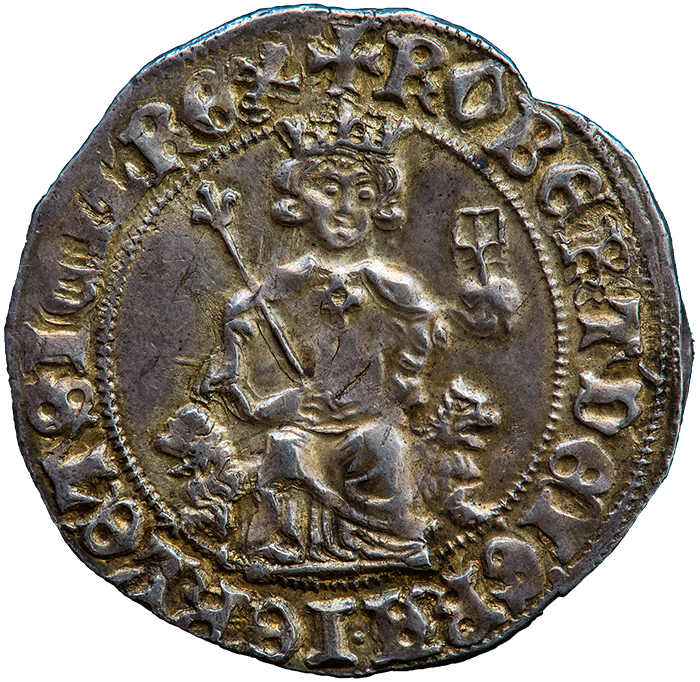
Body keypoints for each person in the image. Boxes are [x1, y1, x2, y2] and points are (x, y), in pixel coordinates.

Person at [197, 114, 439, 568]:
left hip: (371, 419)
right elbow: (239, 311)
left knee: (383, 448)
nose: (345, 209)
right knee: (285, 449)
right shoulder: (290, 280)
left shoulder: (390, 286)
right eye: (328, 191)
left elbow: (424, 324)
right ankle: (292, 547)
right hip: (309, 419)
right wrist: (235, 348)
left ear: (381, 207)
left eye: (363, 196)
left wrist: (405, 380)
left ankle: (388, 545)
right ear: (298, 201)